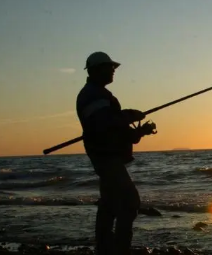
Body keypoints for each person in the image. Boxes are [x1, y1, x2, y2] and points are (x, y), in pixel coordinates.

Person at [76, 51, 157, 255]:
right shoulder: (92, 95)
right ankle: (119, 249)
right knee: (130, 202)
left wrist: (139, 131)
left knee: (109, 205)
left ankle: (105, 249)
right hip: (106, 158)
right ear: (96, 70)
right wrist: (130, 115)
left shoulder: (98, 94)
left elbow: (112, 130)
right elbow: (105, 123)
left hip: (108, 155)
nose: (113, 71)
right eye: (110, 67)